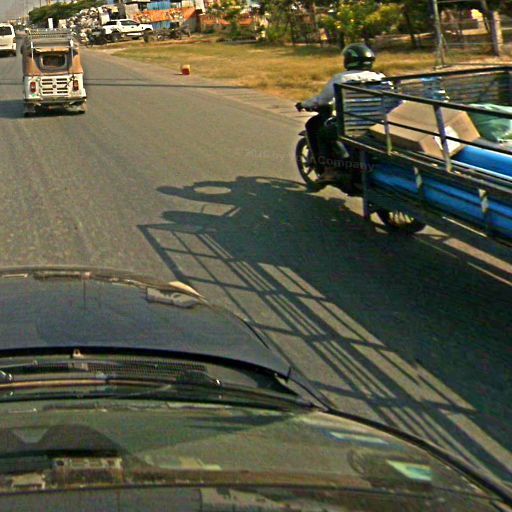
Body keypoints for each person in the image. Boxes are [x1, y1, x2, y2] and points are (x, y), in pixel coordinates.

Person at [296, 43, 385, 183]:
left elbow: (322, 100)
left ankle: (329, 171)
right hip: (378, 125)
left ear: (349, 60)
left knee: (322, 134)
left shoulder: (341, 78)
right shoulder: (381, 78)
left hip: (351, 125)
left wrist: (304, 104)